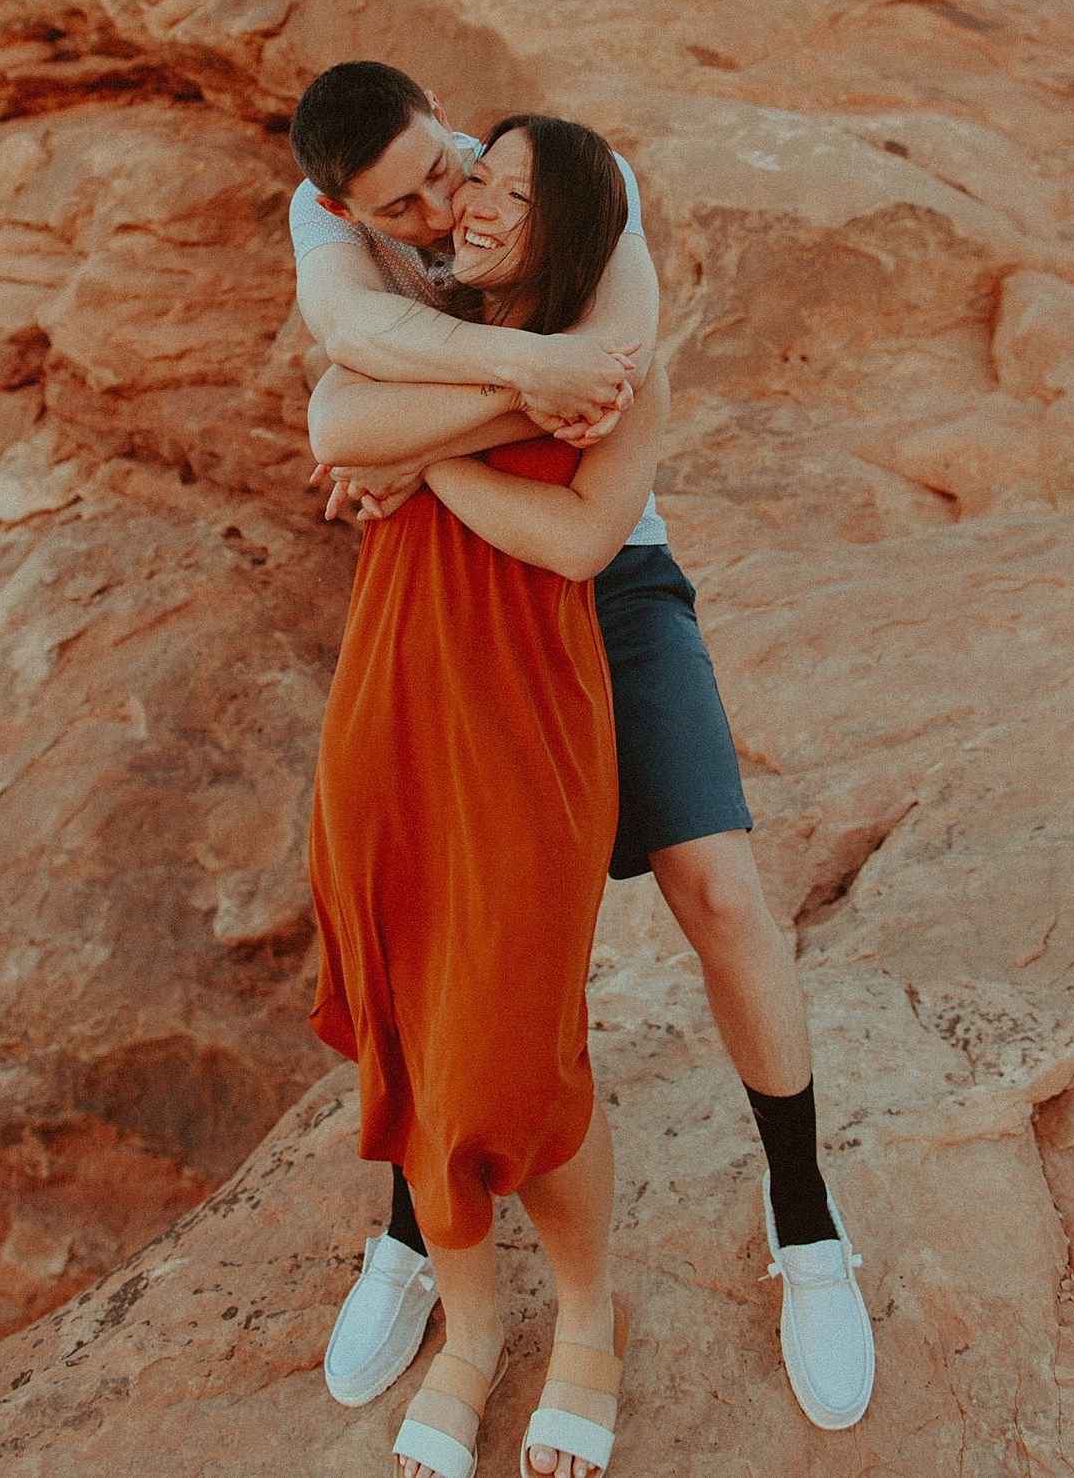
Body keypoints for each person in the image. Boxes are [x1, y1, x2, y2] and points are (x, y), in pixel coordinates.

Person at [291, 63, 874, 1437]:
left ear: (457, 117)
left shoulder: (565, 195)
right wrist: (522, 385)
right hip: (460, 597)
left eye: (465, 174)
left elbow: (616, 378)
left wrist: (426, 439)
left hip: (608, 592)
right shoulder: (354, 241)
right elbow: (337, 401)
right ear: (341, 201)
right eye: (421, 197)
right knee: (454, 924)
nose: (448, 208)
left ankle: (807, 1221)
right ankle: (416, 1222)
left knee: (720, 889)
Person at [310, 115, 664, 1478]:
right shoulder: (423, 326)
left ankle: (588, 1314)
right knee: (411, 1031)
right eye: (479, 182)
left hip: (526, 720)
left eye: (517, 192)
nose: (479, 207)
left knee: (520, 1037)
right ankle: (470, 1329)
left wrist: (430, 463)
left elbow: (579, 539)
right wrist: (502, 406)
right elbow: (338, 421)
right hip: (389, 708)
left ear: (569, 215)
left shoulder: (625, 362)